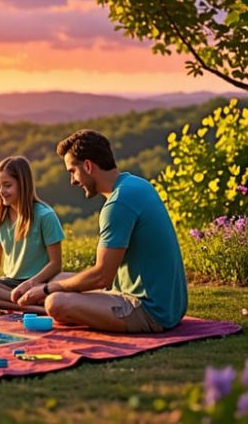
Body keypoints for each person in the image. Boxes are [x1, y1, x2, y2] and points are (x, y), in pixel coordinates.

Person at [32, 129, 187, 332]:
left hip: (152, 311)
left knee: (55, 302)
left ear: (88, 166)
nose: (73, 181)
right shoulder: (136, 184)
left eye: (72, 171)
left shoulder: (118, 204)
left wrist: (46, 290)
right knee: (57, 280)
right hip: (171, 306)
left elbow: (102, 277)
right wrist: (50, 285)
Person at [0, 156, 64, 313]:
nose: (1, 192)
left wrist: (29, 284)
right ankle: (30, 305)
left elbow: (55, 264)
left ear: (23, 184)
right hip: (11, 283)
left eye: (7, 185)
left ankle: (10, 301)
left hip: (38, 282)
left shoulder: (45, 216)